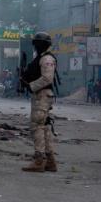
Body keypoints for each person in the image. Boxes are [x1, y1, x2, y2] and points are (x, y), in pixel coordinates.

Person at [21, 32, 58, 173]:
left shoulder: (46, 58)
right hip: (41, 95)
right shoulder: (41, 58)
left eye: (36, 44)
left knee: (36, 126)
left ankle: (39, 160)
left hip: (42, 96)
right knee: (45, 127)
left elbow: (47, 78)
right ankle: (50, 161)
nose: (35, 46)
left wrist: (31, 86)